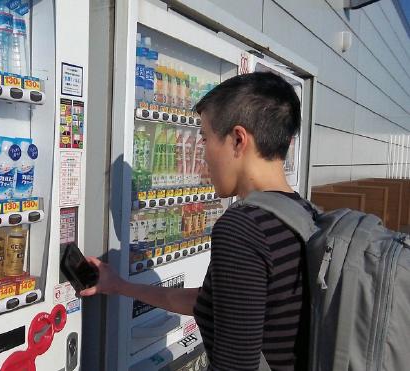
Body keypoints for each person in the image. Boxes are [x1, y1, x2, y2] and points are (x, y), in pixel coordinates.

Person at [81, 72, 311, 371]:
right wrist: (121, 285)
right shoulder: (302, 213)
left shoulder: (243, 227)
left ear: (238, 140)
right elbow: (217, 304)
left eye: (204, 139)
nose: (202, 156)